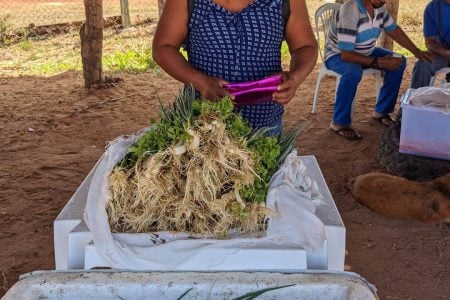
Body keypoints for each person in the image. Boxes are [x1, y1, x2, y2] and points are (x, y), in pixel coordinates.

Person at [152, 0, 318, 136]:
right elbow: (163, 47)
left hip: (264, 126)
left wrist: (295, 78)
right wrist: (200, 82)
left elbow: (305, 46)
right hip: (201, 126)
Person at [324, 0, 433, 140]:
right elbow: (346, 54)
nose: (384, 0)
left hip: (366, 52)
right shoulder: (351, 9)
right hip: (337, 55)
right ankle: (339, 122)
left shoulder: (379, 7)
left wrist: (416, 51)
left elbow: (394, 30)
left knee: (398, 62)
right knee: (353, 72)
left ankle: (382, 112)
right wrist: (378, 62)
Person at [411, 0, 450, 88]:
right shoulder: (432, 8)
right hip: (442, 53)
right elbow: (430, 42)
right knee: (422, 64)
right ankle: (417, 98)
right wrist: (446, 53)